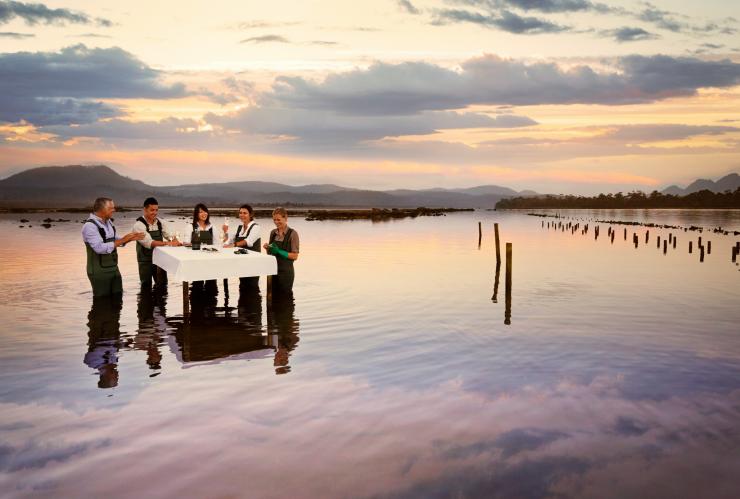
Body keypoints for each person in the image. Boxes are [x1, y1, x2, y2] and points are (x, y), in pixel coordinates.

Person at [82, 197, 144, 297]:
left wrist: (130, 238)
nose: (114, 210)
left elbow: (115, 239)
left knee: (118, 297)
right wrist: (123, 240)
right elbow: (99, 248)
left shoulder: (109, 222)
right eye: (111, 208)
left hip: (113, 268)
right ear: (102, 209)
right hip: (98, 272)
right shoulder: (90, 226)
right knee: (102, 303)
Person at [132, 197, 180, 288]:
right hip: (145, 261)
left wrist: (174, 240)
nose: (155, 212)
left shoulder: (160, 222)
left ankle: (162, 302)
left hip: (160, 259)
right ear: (145, 209)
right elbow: (150, 243)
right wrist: (168, 243)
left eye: (156, 210)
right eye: (152, 210)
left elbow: (169, 236)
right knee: (146, 286)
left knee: (163, 285)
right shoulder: (138, 225)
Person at [224, 204, 261, 289]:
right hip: (242, 264)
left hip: (253, 264)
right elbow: (227, 242)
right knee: (243, 287)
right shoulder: (239, 228)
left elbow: (248, 241)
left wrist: (234, 245)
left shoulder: (256, 227)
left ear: (250, 215)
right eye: (240, 213)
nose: (242, 215)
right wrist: (225, 231)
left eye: (245, 213)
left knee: (252, 288)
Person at [263, 207, 299, 294]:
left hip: (286, 273)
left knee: (285, 300)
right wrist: (268, 248)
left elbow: (295, 256)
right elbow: (270, 253)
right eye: (274, 220)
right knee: (273, 298)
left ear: (285, 218)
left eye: (278, 219)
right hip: (272, 271)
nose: (276, 222)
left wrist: (279, 251)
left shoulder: (293, 234)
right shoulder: (273, 233)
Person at [191, 203, 217, 293]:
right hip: (197, 262)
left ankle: (212, 306)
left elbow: (218, 244)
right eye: (200, 212)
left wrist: (226, 234)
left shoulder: (212, 227)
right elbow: (186, 244)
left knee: (212, 289)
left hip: (211, 262)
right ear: (196, 215)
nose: (204, 213)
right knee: (197, 288)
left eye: (205, 211)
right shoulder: (191, 227)